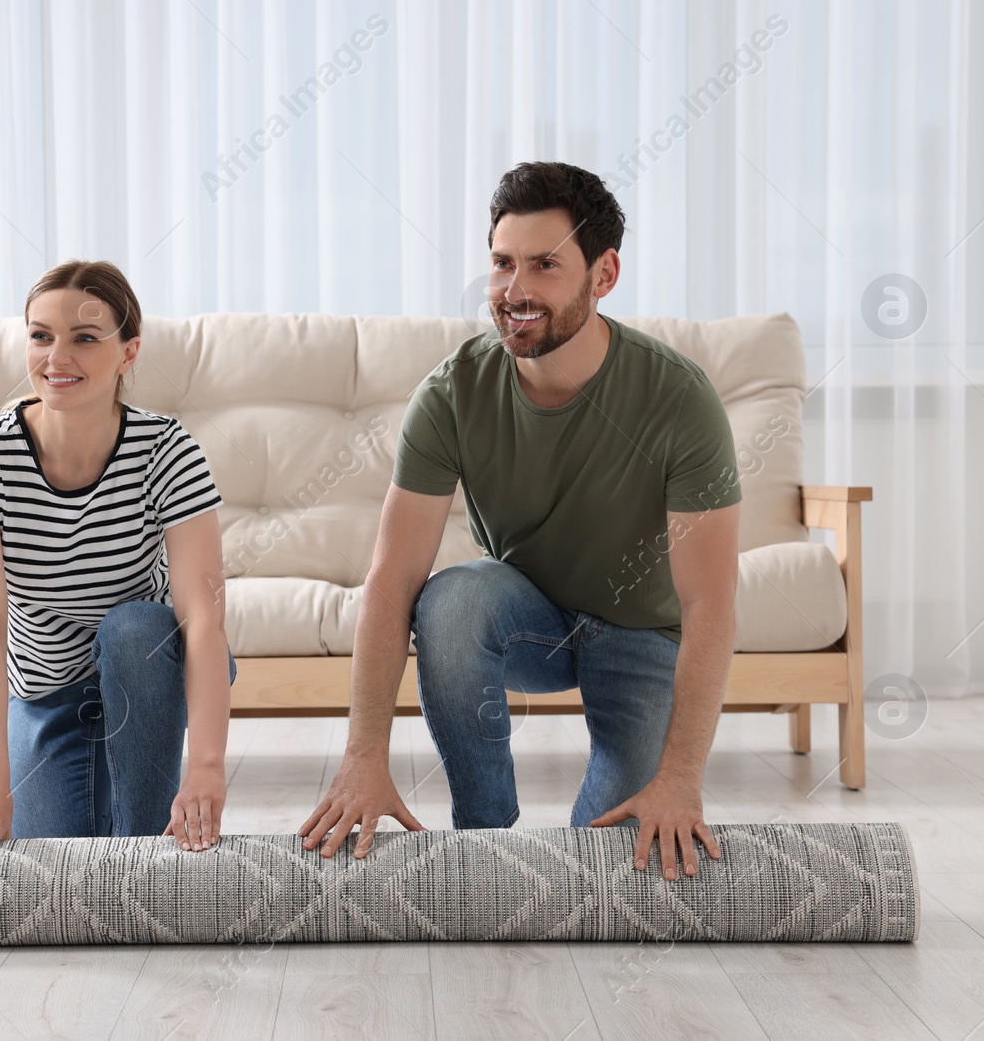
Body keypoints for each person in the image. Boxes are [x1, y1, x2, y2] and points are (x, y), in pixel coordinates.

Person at [299, 161, 742, 881]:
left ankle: (575, 845)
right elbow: (390, 581)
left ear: (604, 275)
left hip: (642, 636)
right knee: (450, 599)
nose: (514, 290)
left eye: (544, 265)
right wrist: (363, 758)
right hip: (530, 616)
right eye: (502, 263)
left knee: (607, 862)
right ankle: (484, 841)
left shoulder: (679, 398)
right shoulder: (452, 393)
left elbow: (710, 602)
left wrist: (682, 777)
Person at [0, 259, 236, 857]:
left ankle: (145, 855)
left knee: (134, 627)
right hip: (47, 687)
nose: (57, 357)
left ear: (128, 353)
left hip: (148, 668)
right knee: (53, 860)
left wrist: (205, 768)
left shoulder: (166, 449)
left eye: (85, 338)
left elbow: (202, 619)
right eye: (41, 336)